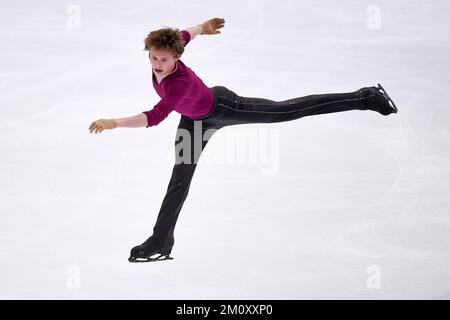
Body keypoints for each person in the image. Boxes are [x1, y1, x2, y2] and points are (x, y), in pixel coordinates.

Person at [88, 18, 398, 263]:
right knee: (179, 178)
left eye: (164, 59)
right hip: (193, 122)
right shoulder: (169, 48)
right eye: (153, 57)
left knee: (285, 110)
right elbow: (183, 35)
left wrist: (114, 122)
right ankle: (161, 240)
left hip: (222, 108)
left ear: (176, 58)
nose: (157, 63)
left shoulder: (177, 85)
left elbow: (154, 117)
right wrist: (203, 28)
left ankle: (365, 97)